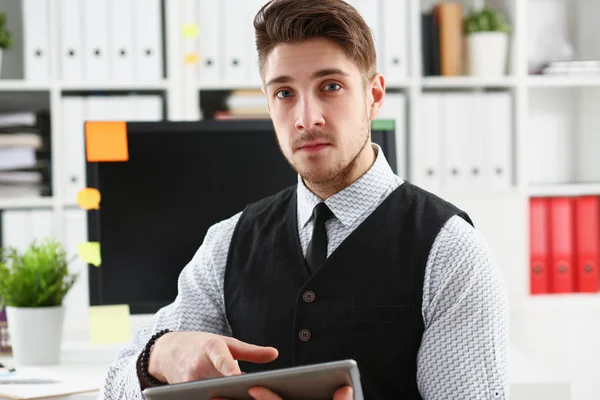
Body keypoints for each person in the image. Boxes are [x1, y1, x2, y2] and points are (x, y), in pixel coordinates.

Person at [100, 0, 509, 399]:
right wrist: (157, 357)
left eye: (330, 86)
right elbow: (114, 385)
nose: (306, 118)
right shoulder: (226, 245)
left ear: (374, 95)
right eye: (284, 93)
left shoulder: (451, 253)